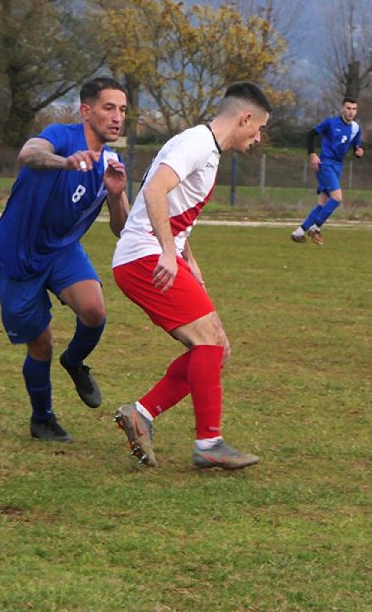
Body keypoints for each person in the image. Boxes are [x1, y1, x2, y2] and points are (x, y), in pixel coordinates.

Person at [112, 82, 271, 471]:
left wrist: (187, 255)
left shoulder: (208, 149)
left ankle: (141, 414)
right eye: (260, 127)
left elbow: (177, 207)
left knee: (218, 350)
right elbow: (154, 191)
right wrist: (169, 252)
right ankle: (209, 442)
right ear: (245, 118)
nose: (259, 137)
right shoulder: (197, 144)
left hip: (157, 254)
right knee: (209, 342)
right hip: (145, 257)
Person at [0, 77, 129, 442]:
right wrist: (64, 162)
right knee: (41, 343)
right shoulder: (61, 137)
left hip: (62, 250)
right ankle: (42, 419)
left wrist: (116, 195)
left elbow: (121, 229)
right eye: (108, 107)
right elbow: (28, 154)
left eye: (123, 110)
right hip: (17, 254)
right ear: (86, 110)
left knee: (95, 311)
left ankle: (75, 361)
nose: (117, 117)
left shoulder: (113, 161)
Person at [290, 97, 363, 245]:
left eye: (354, 109)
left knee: (323, 203)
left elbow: (356, 147)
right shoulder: (330, 123)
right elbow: (310, 134)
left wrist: (358, 152)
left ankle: (298, 232)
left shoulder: (356, 128)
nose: (351, 112)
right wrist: (312, 154)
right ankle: (315, 228)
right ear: (342, 109)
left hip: (337, 166)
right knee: (336, 197)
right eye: (348, 108)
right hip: (326, 164)